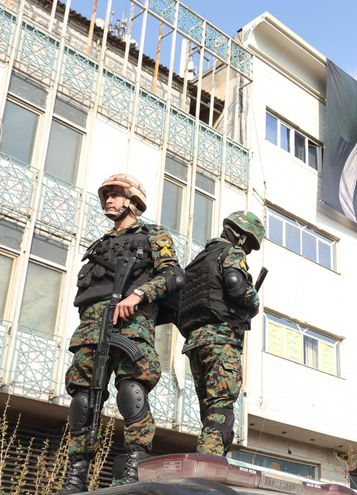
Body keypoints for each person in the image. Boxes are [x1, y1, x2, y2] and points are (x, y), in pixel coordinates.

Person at [60, 173, 183, 493]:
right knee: (83, 399)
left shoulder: (154, 235)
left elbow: (173, 274)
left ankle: (134, 461)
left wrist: (137, 295)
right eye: (106, 196)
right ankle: (77, 471)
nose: (108, 200)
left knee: (131, 389)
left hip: (133, 321)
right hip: (92, 326)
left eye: (115, 195)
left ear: (133, 201)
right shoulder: (100, 245)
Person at [178, 211, 264, 456]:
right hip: (221, 340)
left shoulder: (198, 260)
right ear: (241, 237)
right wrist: (254, 302)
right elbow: (237, 286)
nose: (247, 251)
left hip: (195, 343)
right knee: (221, 409)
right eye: (249, 245)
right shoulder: (232, 253)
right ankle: (208, 466)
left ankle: (210, 459)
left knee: (209, 413)